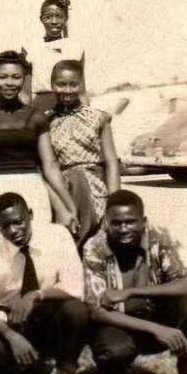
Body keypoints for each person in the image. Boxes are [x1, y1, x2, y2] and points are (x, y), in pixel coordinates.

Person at [82, 190, 187, 374]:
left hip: (156, 313)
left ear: (143, 221)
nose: (123, 229)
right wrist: (157, 329)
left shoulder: (160, 236)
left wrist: (133, 293)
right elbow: (97, 311)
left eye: (130, 222)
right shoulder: (94, 247)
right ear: (105, 224)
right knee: (114, 351)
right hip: (118, 324)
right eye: (116, 223)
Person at [0, 193, 91, 374]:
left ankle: (64, 370)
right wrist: (11, 336)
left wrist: (36, 294)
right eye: (5, 226)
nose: (13, 231)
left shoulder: (57, 235)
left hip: (47, 312)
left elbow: (75, 285)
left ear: (30, 215)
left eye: (18, 222)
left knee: (76, 311)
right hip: (10, 319)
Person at [0, 50, 77, 231]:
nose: (9, 83)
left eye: (16, 77)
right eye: (3, 77)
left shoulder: (36, 117)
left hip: (32, 187)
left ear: (24, 79)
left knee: (38, 243)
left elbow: (50, 166)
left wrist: (70, 205)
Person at [48, 60, 121, 246]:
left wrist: (114, 201)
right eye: (61, 84)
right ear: (52, 85)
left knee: (100, 242)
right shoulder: (47, 121)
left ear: (81, 85)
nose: (67, 90)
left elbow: (112, 162)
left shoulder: (98, 118)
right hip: (64, 190)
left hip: (95, 188)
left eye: (73, 84)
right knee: (68, 242)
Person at [23, 0, 85, 112]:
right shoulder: (30, 48)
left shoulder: (76, 48)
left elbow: (82, 90)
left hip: (71, 107)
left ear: (66, 18)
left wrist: (88, 117)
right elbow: (25, 94)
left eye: (59, 16)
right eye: (49, 17)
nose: (54, 21)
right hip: (42, 107)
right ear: (41, 19)